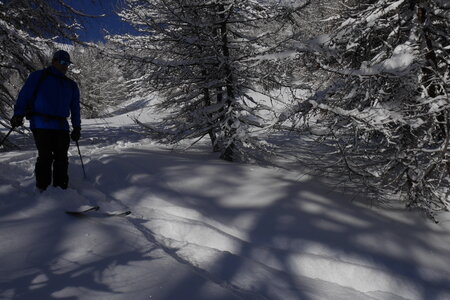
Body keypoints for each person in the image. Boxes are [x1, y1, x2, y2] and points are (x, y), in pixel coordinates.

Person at [10, 50, 81, 191]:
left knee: (62, 158)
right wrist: (19, 114)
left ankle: (61, 188)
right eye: (62, 62)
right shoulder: (39, 76)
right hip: (41, 122)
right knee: (45, 156)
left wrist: (77, 127)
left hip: (62, 125)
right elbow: (25, 95)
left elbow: (75, 107)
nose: (65, 66)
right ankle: (43, 188)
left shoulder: (71, 85)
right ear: (54, 61)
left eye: (67, 63)